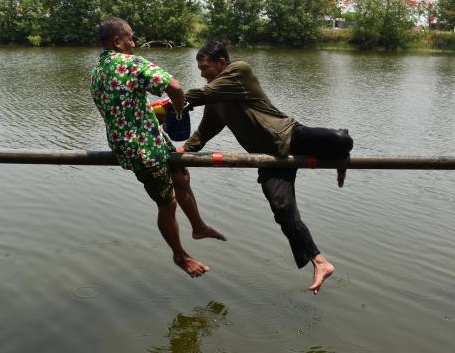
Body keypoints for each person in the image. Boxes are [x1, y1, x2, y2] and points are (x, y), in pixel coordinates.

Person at [180, 41, 353, 294]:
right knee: (282, 209)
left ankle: (340, 155)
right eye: (199, 69)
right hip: (268, 157)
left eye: (205, 67)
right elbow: (203, 133)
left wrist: (174, 99)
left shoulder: (239, 71)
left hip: (290, 135)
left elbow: (200, 95)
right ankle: (320, 262)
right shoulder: (216, 99)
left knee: (341, 140)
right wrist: (182, 151)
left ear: (221, 63)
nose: (202, 73)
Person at [89, 18, 225, 278]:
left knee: (181, 174)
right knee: (167, 203)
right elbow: (174, 86)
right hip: (143, 150)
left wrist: (152, 112)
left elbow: (122, 106)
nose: (133, 42)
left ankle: (198, 226)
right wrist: (177, 110)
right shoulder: (131, 62)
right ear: (117, 41)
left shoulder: (96, 72)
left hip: (134, 142)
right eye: (130, 37)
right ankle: (180, 256)